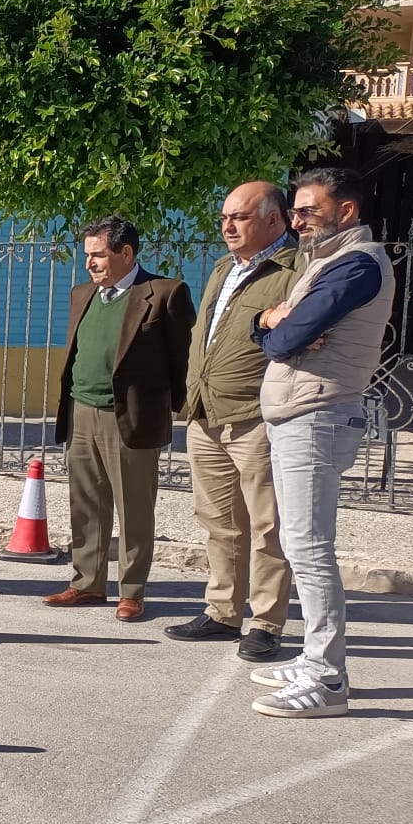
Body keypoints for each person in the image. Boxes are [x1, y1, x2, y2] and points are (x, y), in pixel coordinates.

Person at [249, 167, 393, 719]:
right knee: (298, 543)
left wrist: (277, 327)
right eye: (295, 211)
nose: (297, 221)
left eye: (309, 210)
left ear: (346, 210)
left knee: (309, 548)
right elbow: (275, 331)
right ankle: (313, 658)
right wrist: (270, 318)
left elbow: (284, 339)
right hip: (300, 413)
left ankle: (328, 678)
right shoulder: (325, 262)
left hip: (318, 415)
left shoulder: (357, 264)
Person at [165, 182, 298, 661]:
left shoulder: (295, 270)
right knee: (219, 522)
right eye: (224, 217)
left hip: (256, 417)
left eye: (239, 217)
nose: (228, 226)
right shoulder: (225, 267)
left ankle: (266, 623)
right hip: (206, 414)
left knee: (267, 526)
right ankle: (222, 612)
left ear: (274, 219)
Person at [44, 216, 196, 622]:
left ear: (126, 253)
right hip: (81, 411)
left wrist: (172, 409)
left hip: (130, 418)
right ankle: (87, 583)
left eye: (98, 255)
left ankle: (132, 591)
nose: (89, 263)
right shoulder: (82, 294)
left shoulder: (164, 294)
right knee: (86, 503)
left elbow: (183, 358)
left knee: (134, 508)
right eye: (87, 255)